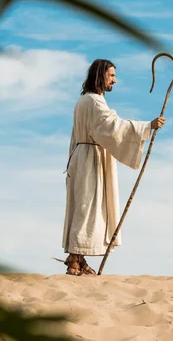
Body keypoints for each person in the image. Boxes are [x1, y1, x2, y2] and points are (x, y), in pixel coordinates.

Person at [61, 58, 165, 275]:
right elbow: (112, 126)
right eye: (112, 75)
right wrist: (148, 126)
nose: (114, 81)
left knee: (85, 207)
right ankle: (74, 260)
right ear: (101, 75)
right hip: (90, 158)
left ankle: (79, 259)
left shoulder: (83, 101)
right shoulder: (94, 102)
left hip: (81, 156)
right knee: (87, 207)